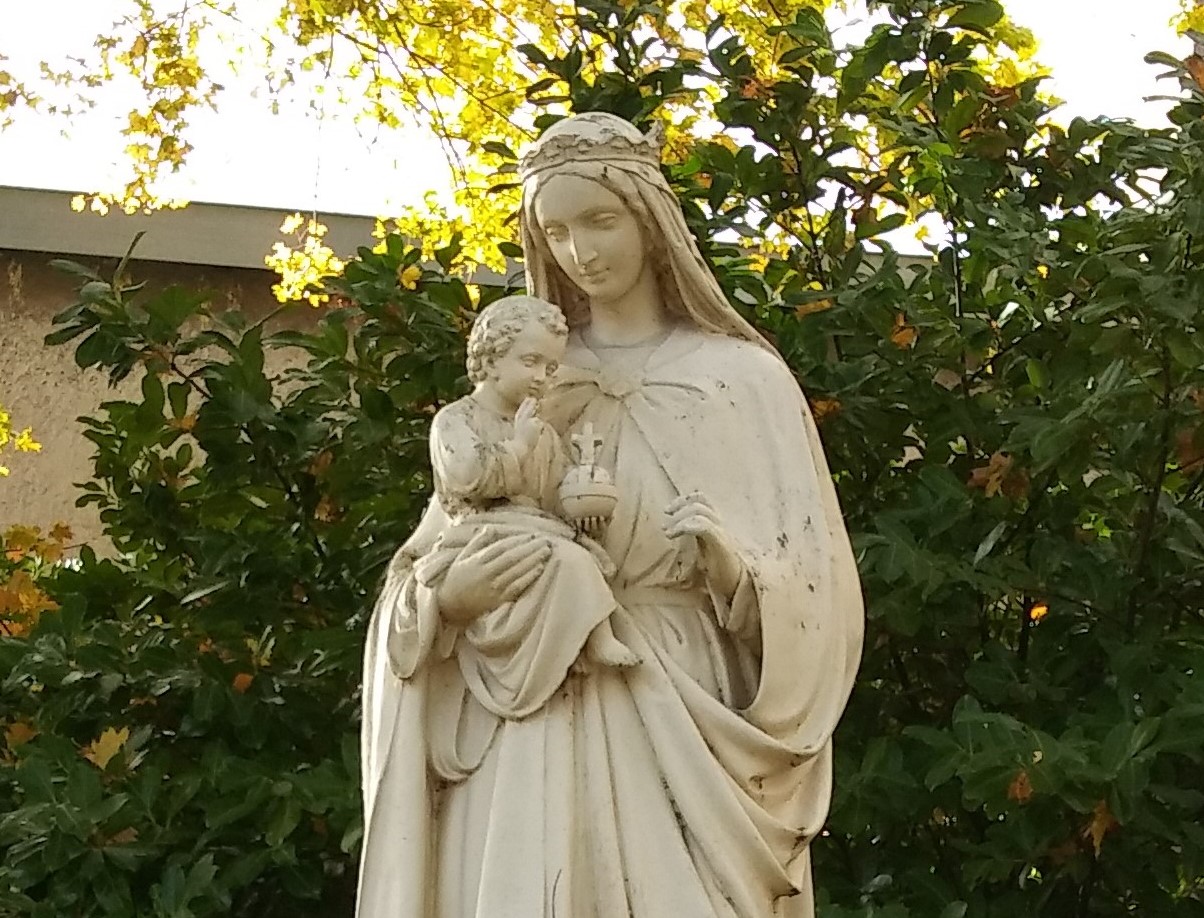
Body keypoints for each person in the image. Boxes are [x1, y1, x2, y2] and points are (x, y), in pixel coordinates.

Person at [359, 112, 865, 918]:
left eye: (600, 221)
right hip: (522, 708)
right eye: (554, 231)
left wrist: (736, 573)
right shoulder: (526, 384)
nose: (579, 252)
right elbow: (428, 558)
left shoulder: (740, 380)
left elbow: (821, 589)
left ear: (650, 220)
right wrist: (441, 607)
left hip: (678, 697)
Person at [423, 293, 638, 712]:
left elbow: (553, 494)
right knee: (571, 560)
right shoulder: (455, 419)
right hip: (481, 532)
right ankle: (595, 639)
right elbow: (467, 476)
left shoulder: (541, 432)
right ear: (490, 359)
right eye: (531, 361)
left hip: (534, 529)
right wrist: (517, 448)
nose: (542, 376)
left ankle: (581, 639)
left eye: (551, 367)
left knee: (577, 555)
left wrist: (582, 502)